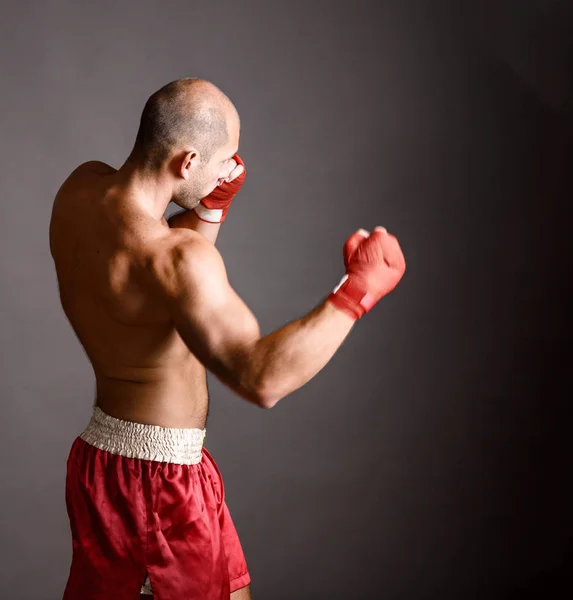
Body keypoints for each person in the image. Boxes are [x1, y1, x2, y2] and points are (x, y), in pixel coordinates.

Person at [49, 77, 406, 600]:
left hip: (104, 455)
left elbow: (157, 283)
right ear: (188, 162)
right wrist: (356, 293)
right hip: (160, 484)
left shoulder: (79, 190)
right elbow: (262, 379)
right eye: (225, 160)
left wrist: (209, 209)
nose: (232, 170)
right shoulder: (178, 260)